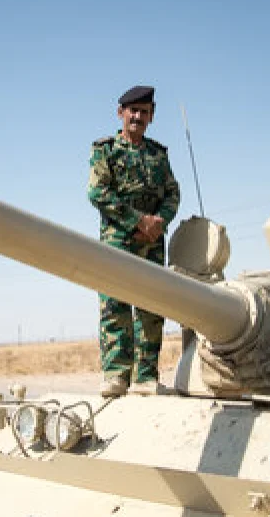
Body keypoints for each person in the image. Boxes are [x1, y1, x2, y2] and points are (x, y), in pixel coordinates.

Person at [88, 85, 180, 398]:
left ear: (151, 116)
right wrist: (137, 221)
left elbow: (172, 194)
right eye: (133, 111)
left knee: (152, 307)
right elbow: (98, 192)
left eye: (144, 112)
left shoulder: (158, 154)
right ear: (121, 114)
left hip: (152, 241)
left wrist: (158, 223)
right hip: (117, 237)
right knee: (115, 305)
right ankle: (116, 375)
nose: (138, 117)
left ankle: (145, 376)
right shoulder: (106, 150)